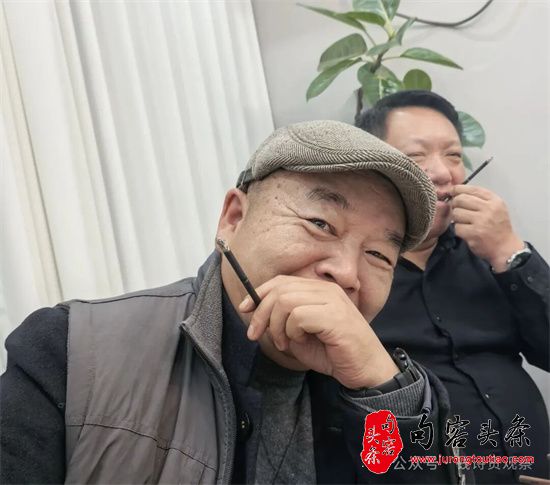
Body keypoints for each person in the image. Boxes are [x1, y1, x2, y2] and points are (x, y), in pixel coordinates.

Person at [1, 120, 463, 484]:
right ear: (234, 218)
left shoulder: (389, 387)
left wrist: (384, 397)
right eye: (321, 223)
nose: (345, 273)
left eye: (379, 254)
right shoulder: (71, 352)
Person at [357, 91, 550, 484]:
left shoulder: (491, 250)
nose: (443, 172)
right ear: (374, 168)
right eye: (417, 156)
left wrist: (509, 252)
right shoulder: (351, 269)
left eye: (454, 155)